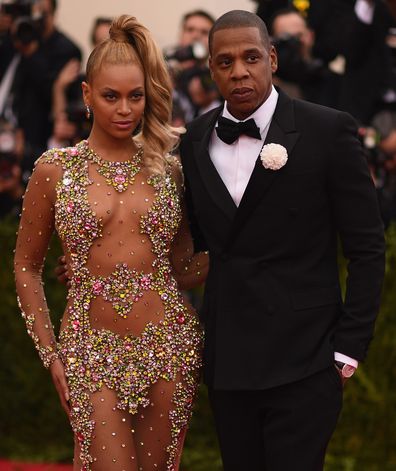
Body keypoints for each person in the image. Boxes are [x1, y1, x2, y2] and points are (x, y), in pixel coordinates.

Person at [179, 10, 385, 470]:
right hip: (230, 362)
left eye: (251, 57)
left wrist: (347, 352)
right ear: (211, 69)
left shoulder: (328, 130)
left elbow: (367, 249)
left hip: (307, 361)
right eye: (225, 61)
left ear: (271, 58)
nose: (239, 71)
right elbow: (189, 241)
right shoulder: (193, 141)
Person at [14, 14, 207, 471]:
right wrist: (51, 355)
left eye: (135, 96)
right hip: (87, 348)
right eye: (111, 96)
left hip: (170, 345)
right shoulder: (53, 169)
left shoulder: (169, 168)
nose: (125, 109)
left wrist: (249, 248)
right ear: (86, 95)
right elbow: (26, 265)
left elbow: (183, 268)